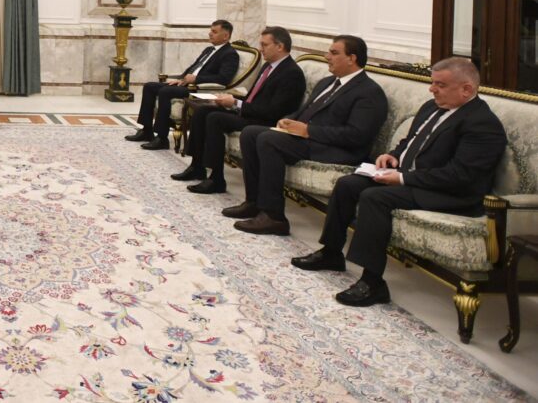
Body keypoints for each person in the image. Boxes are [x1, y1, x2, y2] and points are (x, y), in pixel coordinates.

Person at [292, 57, 506, 307]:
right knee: (348, 184)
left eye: (440, 85)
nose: (432, 89)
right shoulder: (432, 107)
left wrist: (403, 178)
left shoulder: (482, 124)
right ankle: (331, 253)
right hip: (414, 178)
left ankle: (372, 283)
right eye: (432, 83)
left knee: (375, 197)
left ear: (466, 89)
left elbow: (460, 176)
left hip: (451, 194)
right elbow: (410, 142)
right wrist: (392, 156)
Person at [225, 34, 389, 236]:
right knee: (250, 133)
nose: (327, 56)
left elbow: (357, 135)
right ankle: (254, 202)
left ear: (352, 58)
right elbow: (305, 112)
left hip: (337, 149)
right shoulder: (327, 82)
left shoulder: (369, 92)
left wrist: (308, 131)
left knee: (269, 139)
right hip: (309, 140)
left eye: (334, 53)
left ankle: (274, 217)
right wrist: (288, 120)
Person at [173, 26, 306, 194]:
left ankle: (216, 179)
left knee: (215, 119)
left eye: (265, 45)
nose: (261, 49)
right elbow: (253, 97)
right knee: (202, 111)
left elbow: (274, 111)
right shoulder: (268, 66)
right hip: (251, 113)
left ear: (280, 46)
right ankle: (197, 166)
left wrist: (236, 103)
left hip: (265, 121)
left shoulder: (291, 73)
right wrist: (231, 101)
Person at [125, 20, 240, 150]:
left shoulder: (230, 54)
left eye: (214, 32)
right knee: (149, 86)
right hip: (187, 84)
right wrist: (180, 79)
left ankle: (162, 138)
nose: (210, 34)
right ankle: (147, 130)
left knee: (165, 92)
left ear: (225, 36)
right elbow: (193, 68)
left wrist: (196, 79)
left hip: (199, 89)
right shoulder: (209, 50)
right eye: (210, 30)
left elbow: (223, 79)